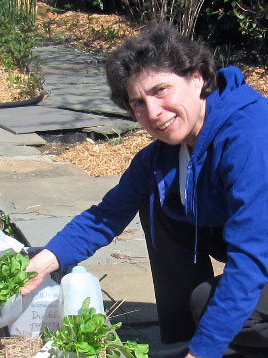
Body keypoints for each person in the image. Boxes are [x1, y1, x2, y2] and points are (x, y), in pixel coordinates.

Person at [21, 23, 268, 358]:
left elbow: (252, 256)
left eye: (161, 90)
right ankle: (186, 338)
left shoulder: (250, 137)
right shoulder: (165, 153)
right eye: (138, 102)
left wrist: (205, 352)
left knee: (223, 310)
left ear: (197, 78)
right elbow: (106, 215)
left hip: (261, 253)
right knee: (158, 197)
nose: (152, 113)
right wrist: (44, 262)